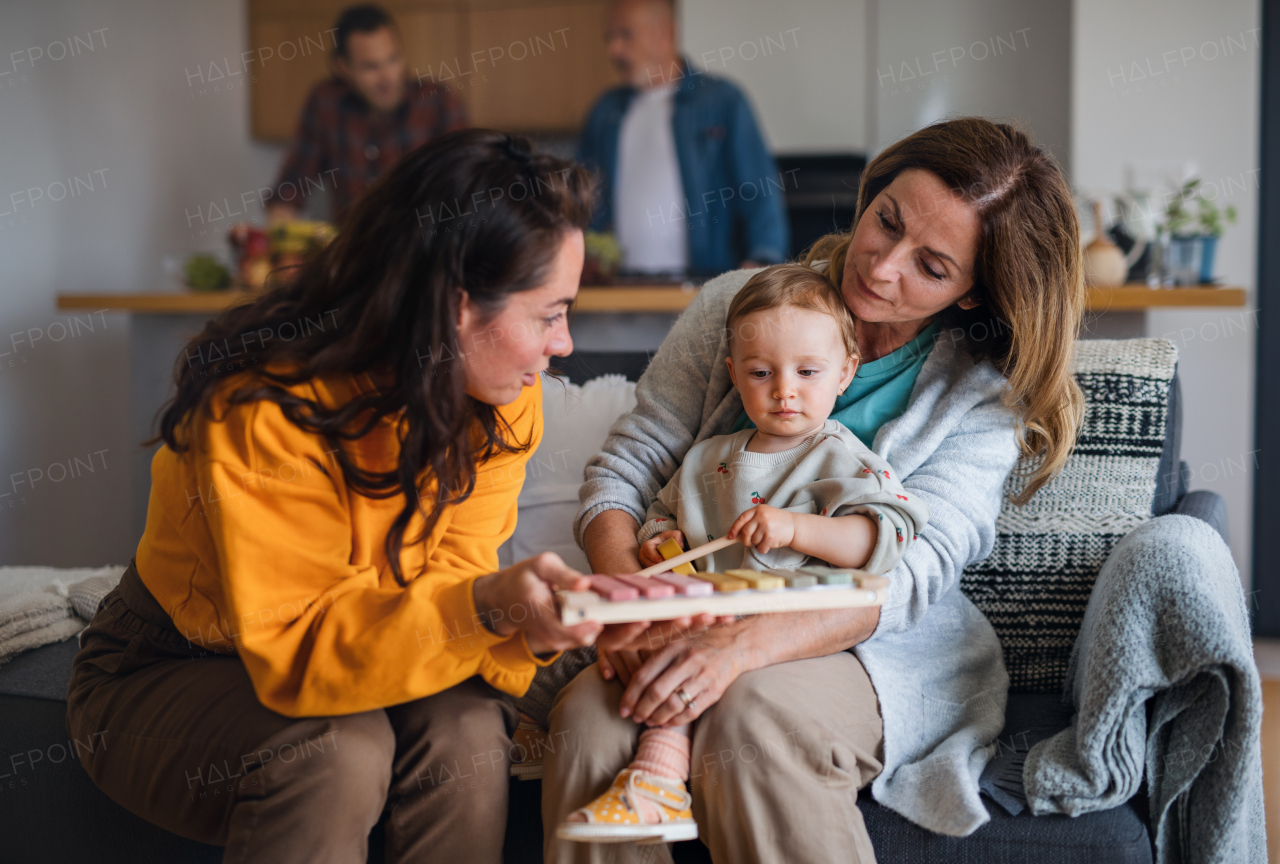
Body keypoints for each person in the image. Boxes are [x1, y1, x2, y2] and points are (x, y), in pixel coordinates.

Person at [64, 130, 696, 864]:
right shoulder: (262, 410)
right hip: (179, 663)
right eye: (549, 314)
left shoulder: (499, 398)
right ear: (458, 309)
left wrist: (539, 614)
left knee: (464, 729)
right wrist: (490, 606)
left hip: (376, 645)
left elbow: (455, 581)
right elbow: (298, 647)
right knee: (335, 748)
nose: (563, 345)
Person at [534, 116, 1086, 864]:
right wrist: (636, 601)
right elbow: (627, 472)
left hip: (871, 646)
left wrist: (742, 647)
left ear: (969, 293)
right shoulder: (736, 306)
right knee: (595, 720)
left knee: (753, 716)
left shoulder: (979, 397)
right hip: (696, 604)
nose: (881, 266)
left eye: (930, 265)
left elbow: (912, 574)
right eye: (885, 221)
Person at [555, 264, 928, 844]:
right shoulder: (708, 459)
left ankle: (655, 779)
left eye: (808, 372)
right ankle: (645, 783)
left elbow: (881, 541)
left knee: (696, 680)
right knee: (612, 677)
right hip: (704, 610)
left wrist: (795, 529)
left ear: (845, 373)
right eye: (761, 373)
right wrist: (660, 544)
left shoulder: (843, 459)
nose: (785, 390)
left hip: (791, 632)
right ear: (734, 375)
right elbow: (659, 515)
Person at [576, 0, 789, 278]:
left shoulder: (722, 101)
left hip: (703, 286)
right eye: (610, 37)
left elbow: (761, 192)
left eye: (625, 35)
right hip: (620, 289)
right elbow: (582, 202)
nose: (613, 50)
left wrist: (762, 261)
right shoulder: (605, 112)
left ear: (664, 33)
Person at [267, 4, 468, 225]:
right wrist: (275, 236)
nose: (387, 78)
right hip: (351, 250)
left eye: (393, 60)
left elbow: (468, 189)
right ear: (343, 67)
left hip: (422, 249)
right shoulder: (326, 103)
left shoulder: (437, 102)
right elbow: (289, 190)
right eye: (371, 67)